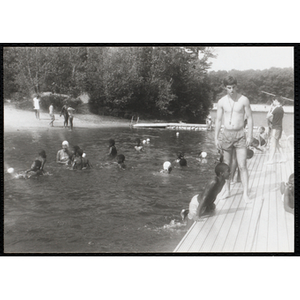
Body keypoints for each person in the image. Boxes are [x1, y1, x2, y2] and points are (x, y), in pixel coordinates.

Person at [214, 75, 253, 203]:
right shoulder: (221, 102)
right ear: (225, 87)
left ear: (237, 86)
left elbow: (250, 118)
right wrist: (216, 138)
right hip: (226, 135)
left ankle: (245, 194)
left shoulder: (244, 100)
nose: (232, 90)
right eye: (229, 88)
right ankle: (227, 191)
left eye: (233, 87)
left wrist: (250, 135)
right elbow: (218, 120)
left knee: (242, 165)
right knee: (226, 167)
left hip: (240, 134)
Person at [181, 162, 231, 227]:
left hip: (204, 204)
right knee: (190, 226)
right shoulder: (213, 182)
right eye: (228, 171)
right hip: (197, 204)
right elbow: (204, 198)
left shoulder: (223, 181)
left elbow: (214, 195)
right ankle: (186, 215)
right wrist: (197, 215)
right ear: (221, 173)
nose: (230, 173)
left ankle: (187, 213)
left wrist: (210, 205)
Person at [265, 97, 286, 164]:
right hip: (279, 128)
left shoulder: (276, 109)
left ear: (277, 101)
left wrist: (270, 108)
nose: (273, 102)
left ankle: (271, 160)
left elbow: (267, 116)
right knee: (276, 144)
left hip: (275, 128)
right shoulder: (281, 109)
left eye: (274, 101)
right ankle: (283, 158)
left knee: (273, 144)